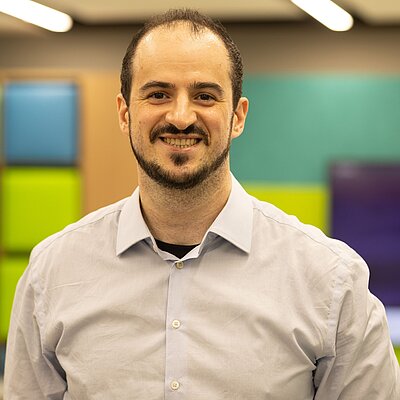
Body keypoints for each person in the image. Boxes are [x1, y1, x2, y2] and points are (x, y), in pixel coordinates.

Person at [4, 8, 400, 400]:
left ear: (238, 117)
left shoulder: (331, 281)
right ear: (125, 113)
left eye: (205, 96)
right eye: (158, 94)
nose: (180, 117)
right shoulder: (52, 274)